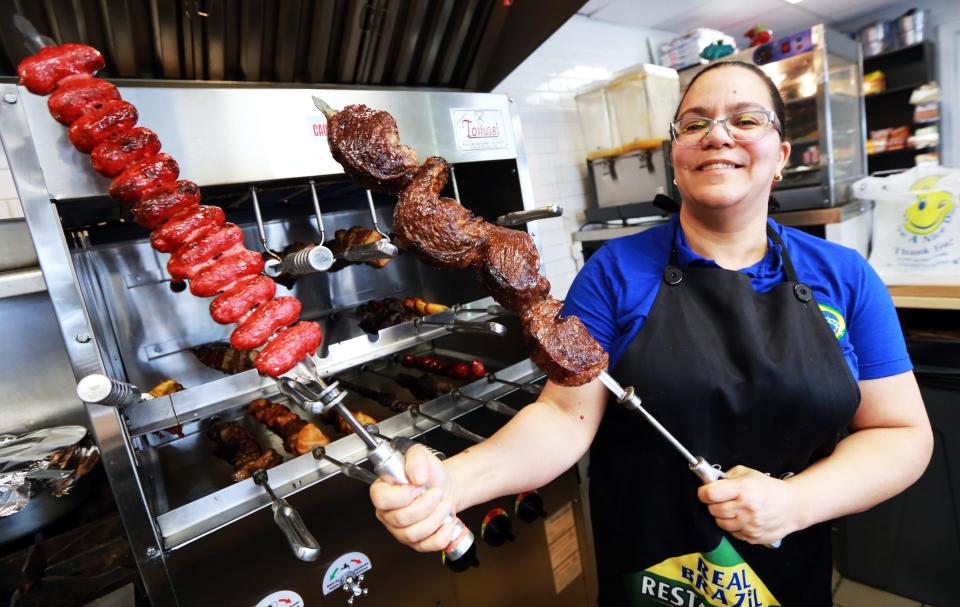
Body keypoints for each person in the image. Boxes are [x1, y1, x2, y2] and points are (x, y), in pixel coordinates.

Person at [369, 60, 933, 606]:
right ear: (675, 156)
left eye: (746, 119)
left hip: (786, 565)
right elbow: (564, 416)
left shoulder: (845, 276)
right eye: (695, 123)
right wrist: (453, 482)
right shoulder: (614, 272)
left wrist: (797, 501)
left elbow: (902, 433)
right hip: (648, 570)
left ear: (781, 155)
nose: (718, 135)